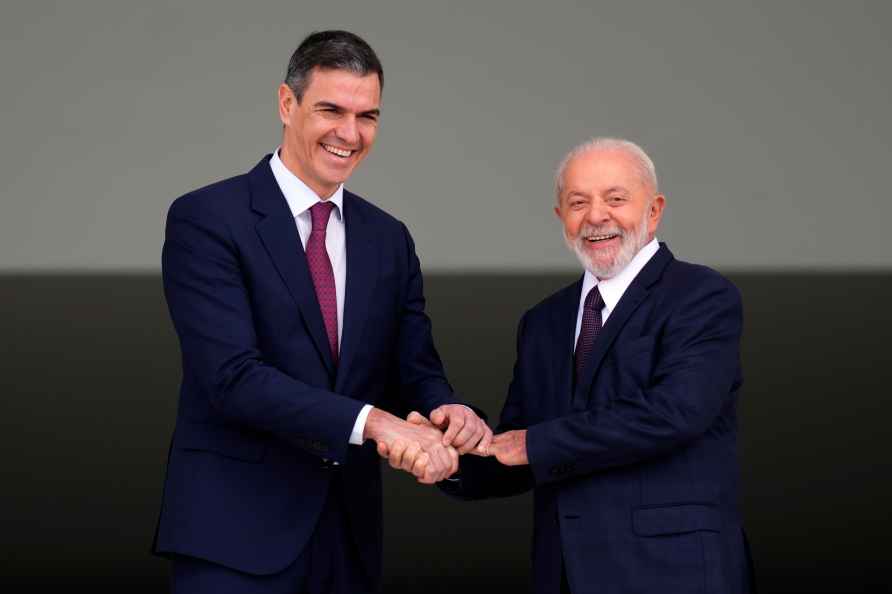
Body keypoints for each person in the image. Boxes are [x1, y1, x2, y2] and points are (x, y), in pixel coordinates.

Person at [152, 30, 491, 594]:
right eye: (331, 109)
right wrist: (374, 421)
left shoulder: (388, 238)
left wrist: (446, 412)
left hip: (347, 540)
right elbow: (232, 378)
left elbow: (415, 371)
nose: (350, 133)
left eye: (367, 116)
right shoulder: (208, 219)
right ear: (287, 104)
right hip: (235, 536)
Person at [391, 138, 754, 593]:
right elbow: (518, 449)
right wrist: (450, 457)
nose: (596, 216)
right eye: (577, 202)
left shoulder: (701, 296)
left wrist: (531, 443)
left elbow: (675, 412)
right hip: (565, 573)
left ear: (655, 210)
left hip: (674, 571)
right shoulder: (544, 321)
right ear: (561, 217)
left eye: (615, 199)